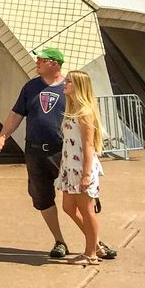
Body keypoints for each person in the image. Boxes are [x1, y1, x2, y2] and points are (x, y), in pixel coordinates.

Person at [0, 47, 116, 260]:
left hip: (65, 154)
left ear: (55, 64)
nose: (36, 62)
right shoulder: (31, 87)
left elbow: (87, 131)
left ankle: (95, 244)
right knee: (43, 197)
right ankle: (59, 241)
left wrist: (88, 166)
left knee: (81, 202)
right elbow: (16, 114)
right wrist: (3, 136)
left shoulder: (71, 89)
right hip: (35, 150)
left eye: (41, 59)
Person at [56, 71, 105, 266]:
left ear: (79, 86)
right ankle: (95, 243)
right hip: (69, 165)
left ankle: (90, 252)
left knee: (87, 209)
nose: (65, 84)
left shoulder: (85, 112)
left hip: (82, 166)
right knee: (68, 206)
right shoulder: (72, 108)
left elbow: (88, 145)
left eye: (69, 81)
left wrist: (86, 174)